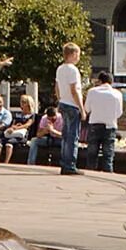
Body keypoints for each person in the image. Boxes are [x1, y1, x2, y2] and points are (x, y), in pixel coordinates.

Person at [84, 71, 125, 173]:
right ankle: (108, 175)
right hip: (110, 126)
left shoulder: (92, 91)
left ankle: (90, 173)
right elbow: (119, 113)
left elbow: (87, 108)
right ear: (111, 82)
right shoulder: (117, 94)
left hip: (94, 124)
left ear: (100, 80)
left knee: (92, 154)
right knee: (108, 154)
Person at [54, 43, 85, 176]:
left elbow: (57, 86)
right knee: (73, 135)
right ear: (72, 54)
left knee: (66, 135)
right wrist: (82, 108)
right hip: (72, 105)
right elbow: (75, 90)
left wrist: (60, 98)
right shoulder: (73, 70)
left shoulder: (60, 69)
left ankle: (64, 163)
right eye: (77, 54)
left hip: (63, 103)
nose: (78, 57)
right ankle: (70, 165)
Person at [0, 94, 35, 163]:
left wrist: (17, 128)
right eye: (21, 102)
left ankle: (6, 162)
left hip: (22, 135)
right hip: (13, 132)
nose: (22, 104)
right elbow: (13, 123)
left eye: (24, 102)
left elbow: (27, 125)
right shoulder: (18, 114)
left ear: (28, 104)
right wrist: (11, 128)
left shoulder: (31, 115)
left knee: (9, 143)